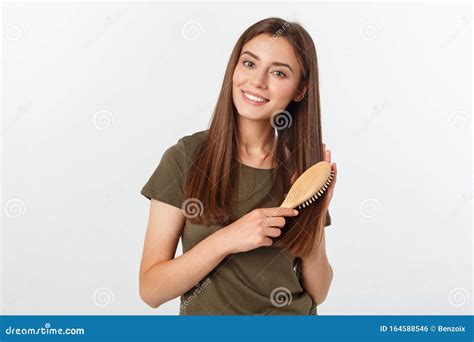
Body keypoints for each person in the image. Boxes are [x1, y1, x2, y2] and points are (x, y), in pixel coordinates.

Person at [139, 17, 338, 315]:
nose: (257, 81)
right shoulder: (186, 158)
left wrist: (315, 216)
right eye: (249, 64)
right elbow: (151, 291)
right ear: (234, 69)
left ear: (300, 90)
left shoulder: (302, 171)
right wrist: (228, 239)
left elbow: (319, 291)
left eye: (279, 73)